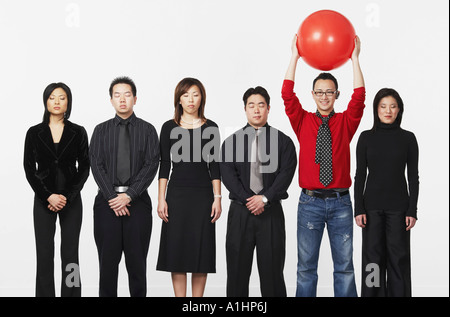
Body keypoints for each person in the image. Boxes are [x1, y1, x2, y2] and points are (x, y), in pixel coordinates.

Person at [282, 34, 365, 297]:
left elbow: (360, 97)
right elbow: (286, 94)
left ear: (336, 94)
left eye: (330, 92)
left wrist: (354, 59)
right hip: (310, 204)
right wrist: (295, 56)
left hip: (341, 202)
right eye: (319, 92)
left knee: (345, 268)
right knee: (306, 268)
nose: (325, 96)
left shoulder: (345, 123)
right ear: (313, 94)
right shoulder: (302, 120)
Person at [220, 86, 297, 297]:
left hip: (271, 214)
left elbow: (286, 174)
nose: (256, 110)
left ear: (269, 108)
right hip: (240, 214)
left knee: (272, 274)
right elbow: (228, 176)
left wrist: (264, 198)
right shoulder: (231, 142)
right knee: (236, 274)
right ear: (245, 109)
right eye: (251, 105)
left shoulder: (284, 142)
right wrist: (249, 199)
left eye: (261, 105)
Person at [89, 76, 159, 297]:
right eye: (117, 95)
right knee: (107, 267)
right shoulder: (101, 130)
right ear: (111, 100)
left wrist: (129, 195)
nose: (122, 99)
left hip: (137, 205)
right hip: (106, 205)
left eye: (127, 95)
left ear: (135, 99)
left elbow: (151, 164)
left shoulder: (148, 130)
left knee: (137, 267)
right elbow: (96, 165)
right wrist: (113, 198)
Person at [156, 77, 222, 297]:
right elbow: (165, 164)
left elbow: (214, 165)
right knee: (177, 252)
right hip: (176, 195)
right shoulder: (168, 127)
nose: (191, 99)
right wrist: (161, 198)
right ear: (179, 100)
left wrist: (217, 198)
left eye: (195, 94)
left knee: (200, 254)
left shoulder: (211, 127)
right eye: (186, 95)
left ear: (201, 97)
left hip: (203, 196)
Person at [24, 82, 89, 297]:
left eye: (62, 97)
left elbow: (85, 167)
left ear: (68, 101)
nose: (57, 102)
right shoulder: (34, 132)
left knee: (71, 254)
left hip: (71, 200)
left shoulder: (78, 131)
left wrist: (67, 196)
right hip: (43, 200)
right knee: (44, 253)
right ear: (45, 101)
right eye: (52, 97)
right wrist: (48, 196)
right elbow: (28, 168)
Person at [354, 88, 419, 297]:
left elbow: (413, 177)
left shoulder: (408, 139)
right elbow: (359, 176)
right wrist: (359, 208)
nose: (388, 110)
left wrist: (412, 210)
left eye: (392, 106)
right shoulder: (365, 138)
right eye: (383, 106)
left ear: (399, 109)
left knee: (398, 261)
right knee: (372, 262)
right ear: (376, 109)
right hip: (371, 209)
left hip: (399, 210)